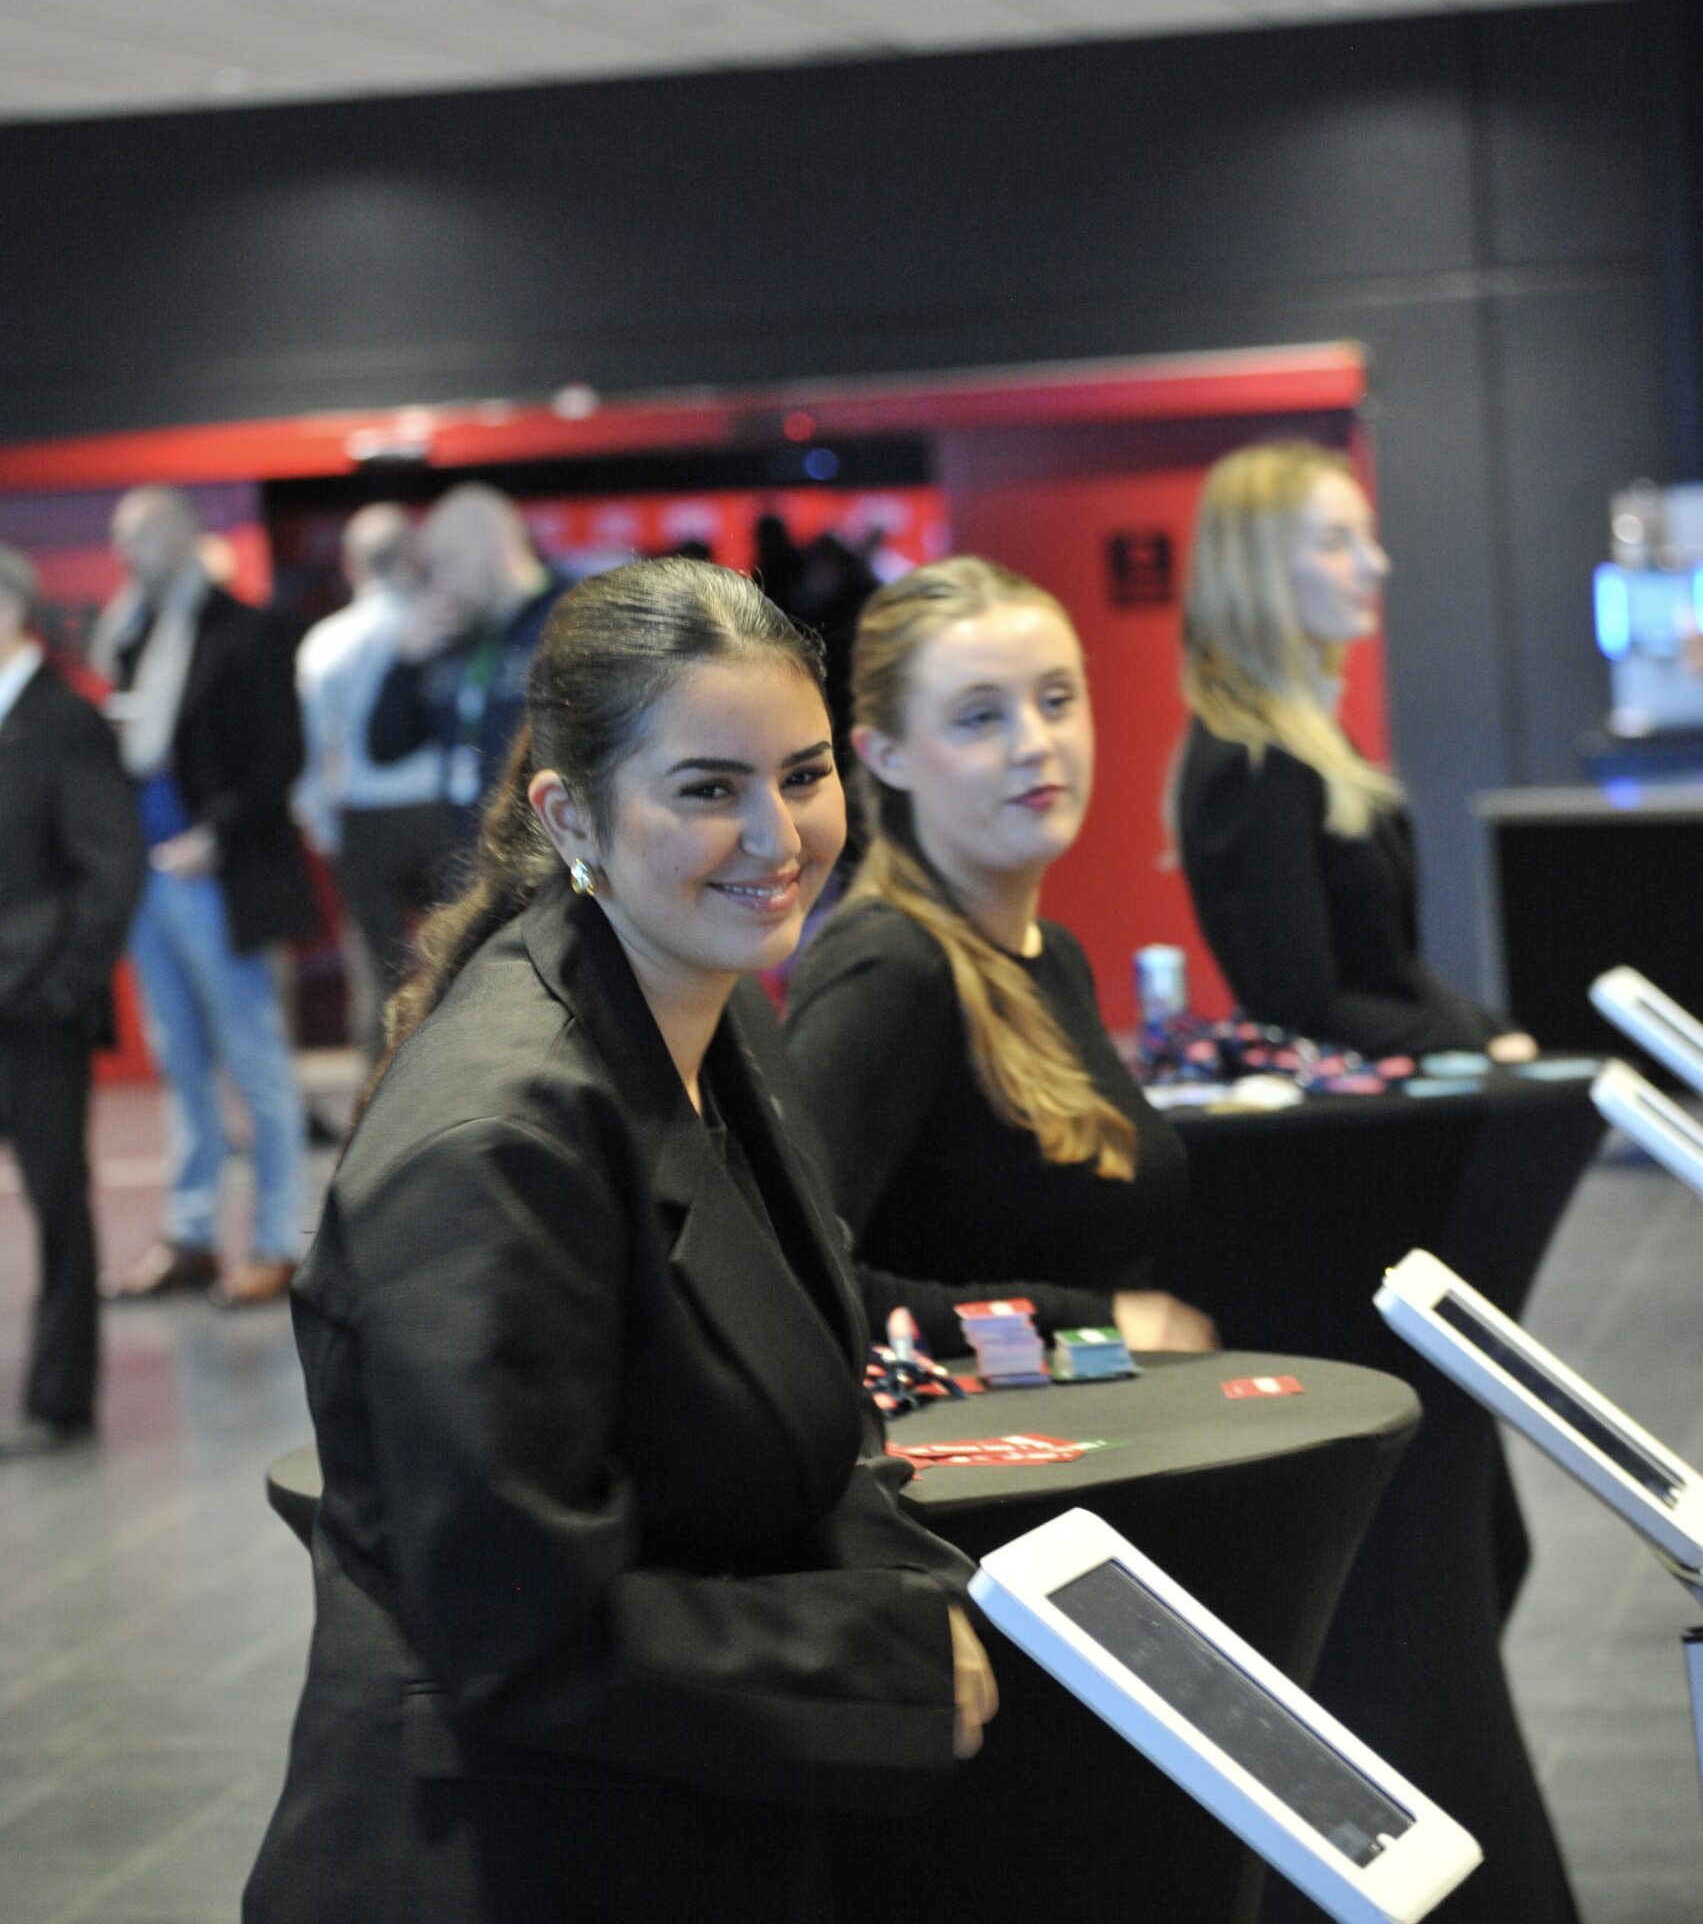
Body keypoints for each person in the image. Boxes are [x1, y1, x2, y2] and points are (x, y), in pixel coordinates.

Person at [245, 560, 995, 1924]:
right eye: (707, 788)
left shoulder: (711, 1006)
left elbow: (801, 1417)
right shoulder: (500, 1138)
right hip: (501, 1861)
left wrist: (917, 1592)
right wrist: (885, 1652)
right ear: (569, 814)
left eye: (803, 774)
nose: (775, 835)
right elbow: (528, 1630)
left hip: (666, 1822)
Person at [786, 556, 1213, 1357]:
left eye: (1056, 700)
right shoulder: (890, 966)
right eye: (979, 717)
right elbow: (791, 1281)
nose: (1035, 744)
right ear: (885, 755)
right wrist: (1081, 1320)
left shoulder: (1051, 955)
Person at [1175, 441, 1536, 1061]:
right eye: (1336, 542)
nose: (1375, 565)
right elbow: (1303, 1009)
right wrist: (1479, 1046)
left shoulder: (1307, 741)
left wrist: (1492, 1033)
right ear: (1258, 571)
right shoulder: (1253, 763)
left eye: (1366, 537)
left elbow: (1391, 973)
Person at [93, 487, 320, 1306]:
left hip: (219, 875)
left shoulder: (248, 632)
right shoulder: (126, 631)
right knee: (180, 1064)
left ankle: (278, 1240)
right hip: (150, 878)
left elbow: (280, 756)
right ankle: (190, 1235)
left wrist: (214, 836)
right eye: (121, 538)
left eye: (143, 536)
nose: (129, 553)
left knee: (255, 1063)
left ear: (186, 536)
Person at [0, 545, 145, 1458]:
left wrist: (61, 987)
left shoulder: (63, 721)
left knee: (57, 1200)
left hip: (34, 1008)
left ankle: (60, 1398)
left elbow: (111, 871)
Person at [295, 504, 457, 1060]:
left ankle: (381, 1097)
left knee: (377, 976)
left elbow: (314, 751)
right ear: (415, 557)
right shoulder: (444, 625)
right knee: (462, 963)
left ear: (350, 564)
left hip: (363, 823)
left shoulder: (325, 642)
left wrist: (325, 830)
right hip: (442, 815)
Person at [366, 482, 566, 837]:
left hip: (551, 844)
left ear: (496, 546)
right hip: (472, 847)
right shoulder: (448, 634)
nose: (442, 583)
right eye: (433, 568)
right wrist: (405, 663)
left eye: (450, 562)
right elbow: (385, 747)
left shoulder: (569, 615)